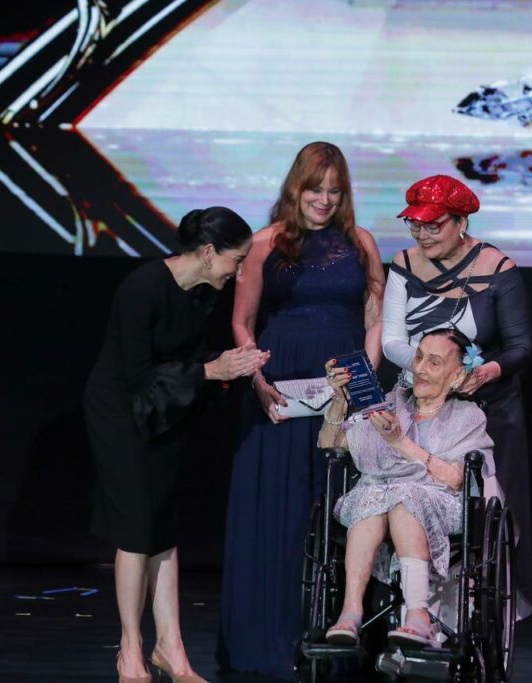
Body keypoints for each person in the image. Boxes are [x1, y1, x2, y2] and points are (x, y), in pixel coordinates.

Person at [218, 142, 385, 678]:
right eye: (316, 189)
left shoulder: (360, 242)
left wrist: (364, 381)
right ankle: (270, 642)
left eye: (335, 192)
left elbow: (375, 312)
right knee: (281, 514)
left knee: (341, 512)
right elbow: (242, 321)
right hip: (283, 386)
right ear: (297, 187)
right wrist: (258, 380)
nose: (325, 200)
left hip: (343, 384)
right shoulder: (266, 243)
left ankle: (337, 637)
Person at [84, 207, 270, 683]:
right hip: (121, 413)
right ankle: (130, 648)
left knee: (162, 530)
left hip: (166, 411)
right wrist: (211, 371)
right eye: (237, 259)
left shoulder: (202, 292)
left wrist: (228, 363)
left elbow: (182, 365)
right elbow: (137, 378)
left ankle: (172, 648)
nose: (241, 270)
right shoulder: (142, 288)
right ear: (208, 253)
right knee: (135, 528)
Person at [381, 175, 532, 616]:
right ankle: (413, 604)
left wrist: (485, 370)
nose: (423, 235)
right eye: (416, 225)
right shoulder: (405, 264)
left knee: (485, 511)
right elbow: (392, 338)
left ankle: (478, 606)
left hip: (485, 408)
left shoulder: (496, 268)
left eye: (434, 225)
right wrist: (432, 369)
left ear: (461, 221)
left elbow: (521, 345)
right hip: (422, 402)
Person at [317, 328, 495, 647]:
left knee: (402, 498)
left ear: (456, 376)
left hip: (439, 502)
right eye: (419, 356)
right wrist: (338, 401)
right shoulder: (390, 404)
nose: (421, 368)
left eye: (435, 362)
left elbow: (456, 478)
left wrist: (399, 442)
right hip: (380, 498)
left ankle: (419, 617)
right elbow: (333, 444)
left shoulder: (467, 417)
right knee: (374, 497)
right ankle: (350, 613)